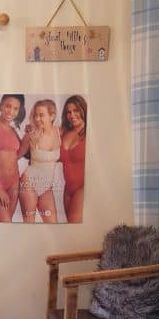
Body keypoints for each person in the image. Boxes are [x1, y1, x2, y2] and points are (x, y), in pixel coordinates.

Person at [18, 99, 63, 223]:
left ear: (52, 116)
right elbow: (15, 156)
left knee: (53, 224)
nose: (37, 119)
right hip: (29, 182)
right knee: (29, 222)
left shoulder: (59, 132)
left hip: (46, 187)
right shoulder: (31, 135)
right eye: (35, 115)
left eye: (41, 115)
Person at [0, 94, 26, 222]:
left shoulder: (13, 130)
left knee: (8, 224)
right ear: (1, 106)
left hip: (14, 182)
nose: (11, 111)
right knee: (5, 221)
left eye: (15, 108)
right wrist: (0, 189)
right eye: (8, 106)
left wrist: (28, 135)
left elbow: (19, 154)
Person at [60, 95, 87, 223]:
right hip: (68, 190)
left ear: (83, 110)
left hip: (83, 188)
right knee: (70, 229)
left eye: (76, 110)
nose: (72, 115)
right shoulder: (63, 133)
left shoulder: (90, 134)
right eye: (68, 112)